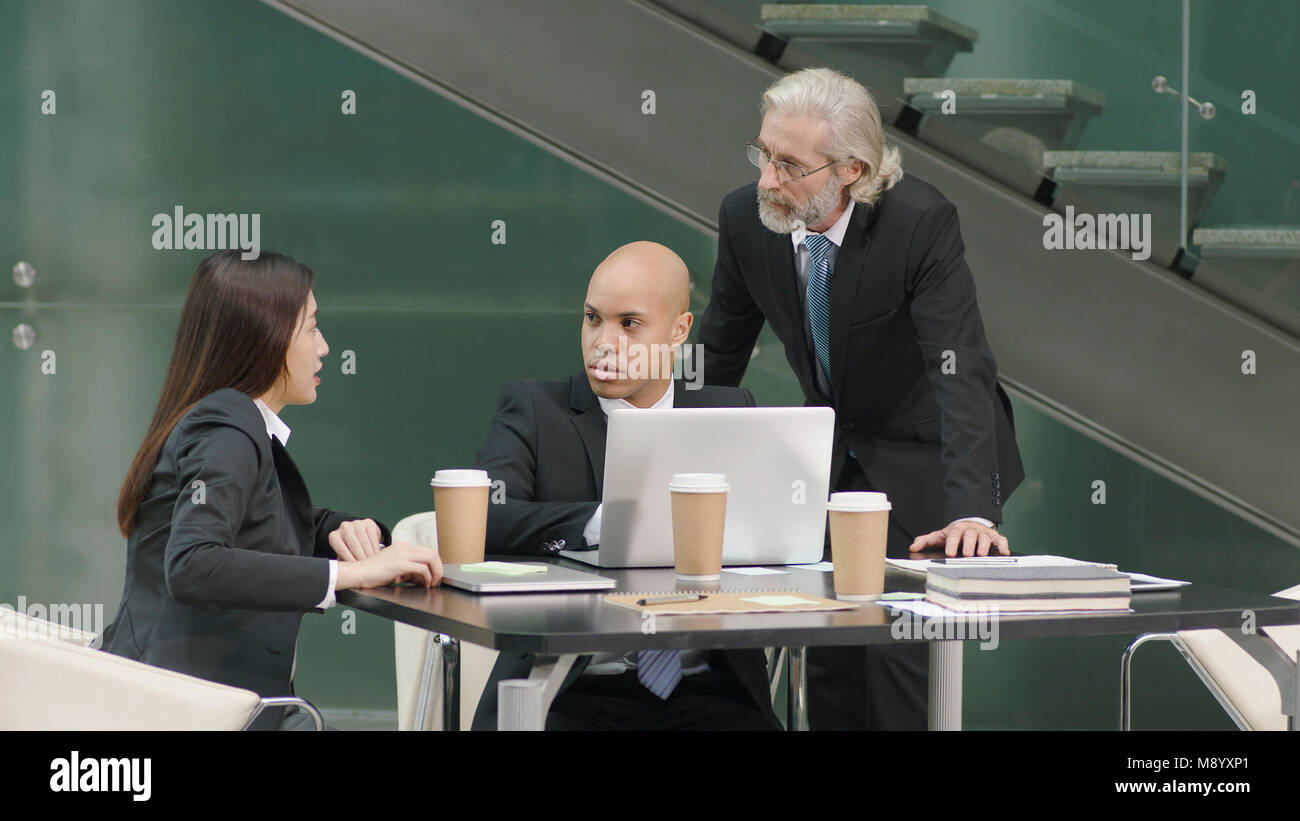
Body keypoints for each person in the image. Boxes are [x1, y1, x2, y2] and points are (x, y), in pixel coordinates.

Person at [697, 68, 1025, 730]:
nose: (768, 180)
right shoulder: (746, 217)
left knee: (893, 658)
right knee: (833, 653)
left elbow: (959, 368)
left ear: (851, 169)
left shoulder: (918, 223)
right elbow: (717, 361)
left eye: (790, 165)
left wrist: (973, 514)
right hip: (837, 456)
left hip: (927, 452)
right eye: (764, 153)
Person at [102, 250, 442, 730]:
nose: (324, 347)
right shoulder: (226, 427)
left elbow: (258, 520)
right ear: (267, 335)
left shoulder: (222, 420)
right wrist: (349, 576)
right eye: (312, 328)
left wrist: (339, 530)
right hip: (191, 712)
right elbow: (194, 563)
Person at [470, 241, 781, 731]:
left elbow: (784, 535)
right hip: (569, 691)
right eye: (593, 319)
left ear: (679, 330)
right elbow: (485, 518)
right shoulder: (535, 409)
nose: (603, 342)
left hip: (710, 693)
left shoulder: (730, 411)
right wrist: (605, 522)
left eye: (629, 324)